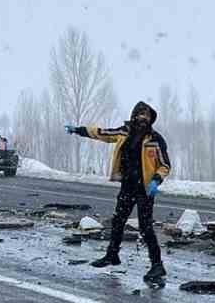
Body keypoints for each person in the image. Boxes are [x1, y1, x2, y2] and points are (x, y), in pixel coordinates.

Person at [67, 101, 171, 283]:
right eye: (140, 114)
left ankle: (157, 265)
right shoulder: (124, 132)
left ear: (151, 118)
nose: (143, 118)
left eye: (146, 116)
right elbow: (102, 133)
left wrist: (156, 180)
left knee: (146, 227)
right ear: (134, 115)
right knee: (118, 221)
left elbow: (165, 165)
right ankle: (112, 256)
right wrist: (78, 130)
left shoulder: (155, 139)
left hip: (145, 189)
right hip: (128, 185)